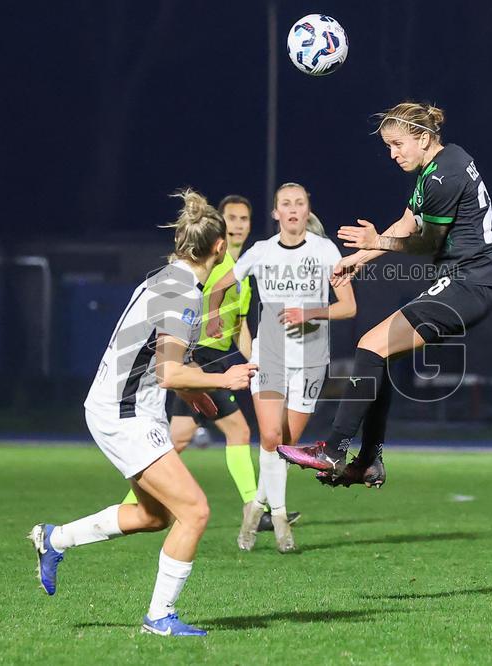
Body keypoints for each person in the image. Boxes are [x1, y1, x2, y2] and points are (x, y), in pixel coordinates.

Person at [28, 190, 256, 637]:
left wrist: (197, 398)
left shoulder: (163, 278)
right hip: (124, 413)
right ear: (219, 248)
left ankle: (55, 539)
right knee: (195, 511)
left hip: (124, 407)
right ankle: (160, 617)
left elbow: (159, 362)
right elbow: (170, 372)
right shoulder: (185, 295)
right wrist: (223, 380)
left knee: (154, 516)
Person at [275, 101, 492, 488]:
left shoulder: (441, 178)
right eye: (388, 146)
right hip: (469, 282)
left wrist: (376, 241)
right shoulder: (445, 162)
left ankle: (335, 450)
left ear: (423, 136)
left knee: (370, 346)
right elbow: (407, 222)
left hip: (469, 283)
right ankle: (367, 461)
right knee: (376, 353)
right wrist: (362, 258)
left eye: (398, 144)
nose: (393, 154)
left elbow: (425, 244)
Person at [120, 195, 299, 537]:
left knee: (180, 438)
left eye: (244, 218)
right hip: (195, 359)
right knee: (236, 432)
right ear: (220, 228)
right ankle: (253, 506)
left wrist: (258, 361)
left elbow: (239, 329)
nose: (238, 224)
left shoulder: (243, 274)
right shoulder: (210, 266)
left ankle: (138, 504)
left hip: (212, 358)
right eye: (231, 218)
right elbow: (185, 309)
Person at [206, 182, 356, 552]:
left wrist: (312, 312)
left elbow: (348, 307)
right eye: (285, 204)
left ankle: (256, 506)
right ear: (275, 213)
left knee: (286, 445)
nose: (292, 209)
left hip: (310, 359)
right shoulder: (260, 252)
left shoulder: (325, 251)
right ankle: (281, 519)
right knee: (271, 437)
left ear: (307, 211)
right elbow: (218, 285)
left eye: (299, 203)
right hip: (269, 354)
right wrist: (212, 316)